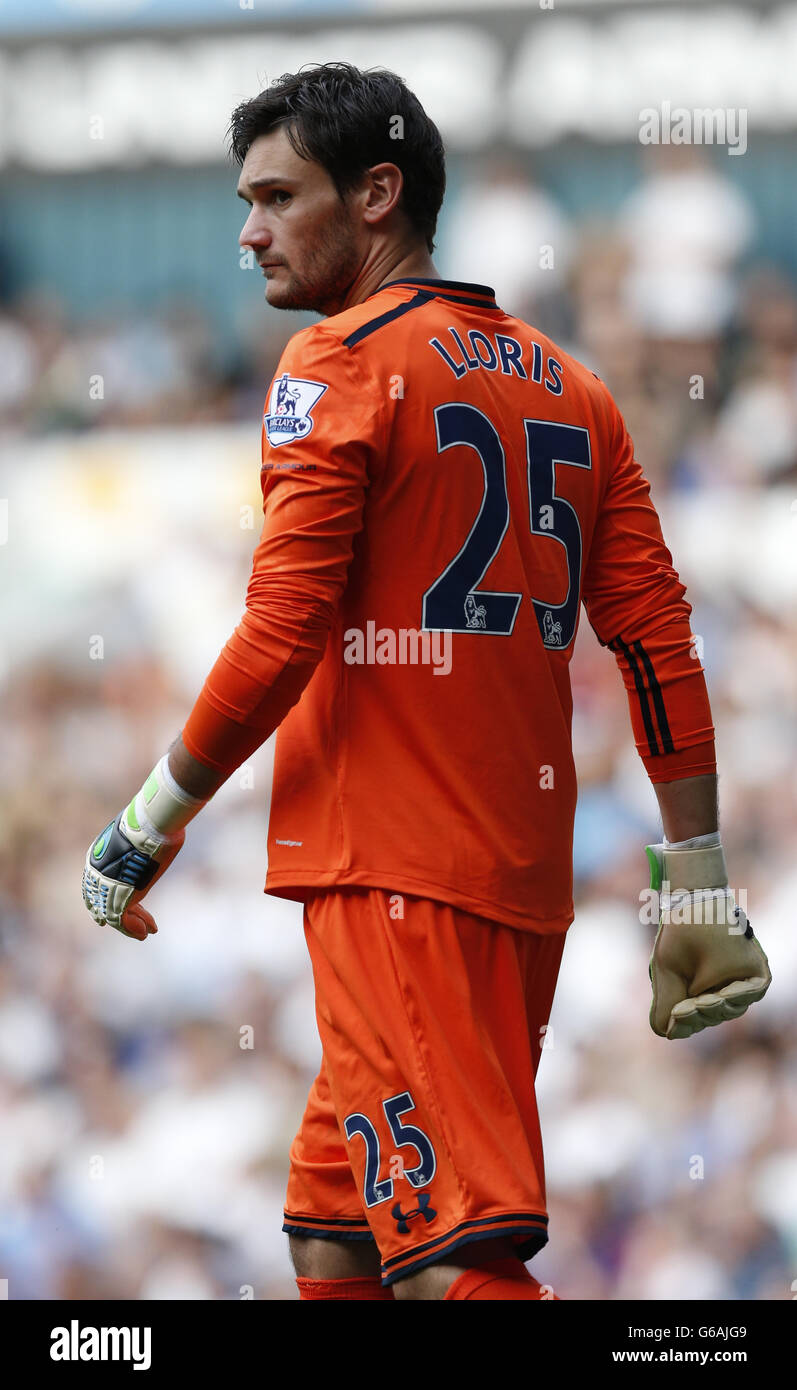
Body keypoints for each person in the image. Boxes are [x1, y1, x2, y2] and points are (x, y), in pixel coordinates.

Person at [81, 62, 771, 1302]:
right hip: (512, 879)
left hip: (393, 870)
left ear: (377, 193)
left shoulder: (332, 365)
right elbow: (656, 638)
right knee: (334, 1231)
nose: (247, 232)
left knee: (459, 1258)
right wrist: (696, 875)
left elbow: (282, 629)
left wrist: (148, 821)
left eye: (278, 197)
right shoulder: (579, 389)